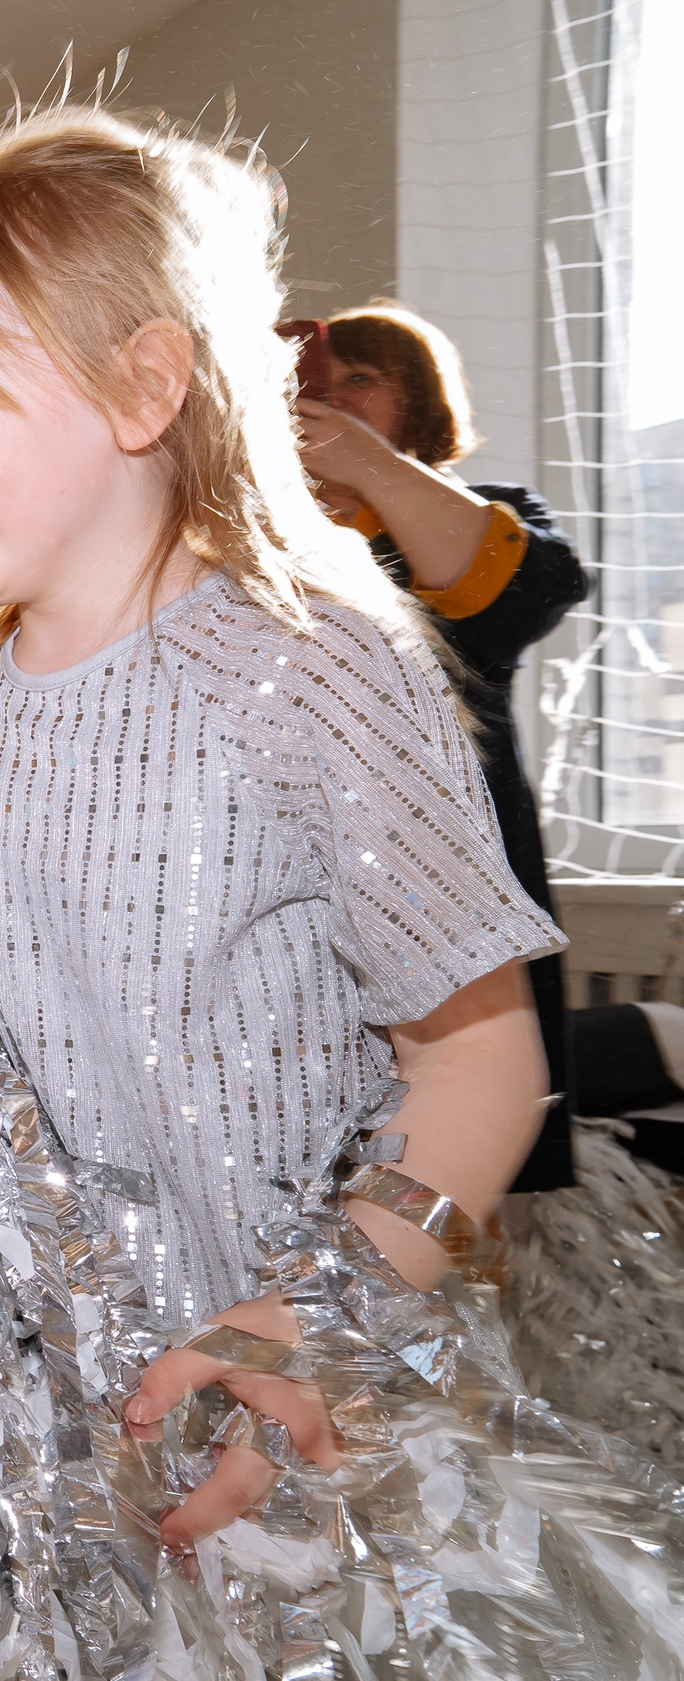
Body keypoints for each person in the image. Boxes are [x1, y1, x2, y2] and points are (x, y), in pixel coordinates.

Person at [0, 108, 566, 1559]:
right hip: (68, 1415)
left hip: (308, 1410)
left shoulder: (319, 668)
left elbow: (483, 1061)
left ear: (141, 386)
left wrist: (318, 1317)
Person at [294, 303, 589, 1190]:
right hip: (304, 897)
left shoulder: (487, 513)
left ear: (418, 402)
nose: (331, 400)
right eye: (310, 384)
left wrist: (355, 460)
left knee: (464, 1183)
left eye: (361, 381)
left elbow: (529, 593)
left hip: (455, 888)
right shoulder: (251, 540)